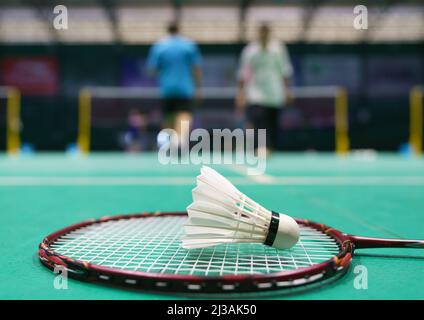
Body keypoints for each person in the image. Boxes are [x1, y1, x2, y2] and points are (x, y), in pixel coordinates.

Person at [236, 23, 293, 151]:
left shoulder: (278, 49)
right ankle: (261, 147)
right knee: (258, 122)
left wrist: (287, 90)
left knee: (272, 124)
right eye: (262, 31)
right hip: (255, 94)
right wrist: (240, 93)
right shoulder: (250, 50)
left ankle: (269, 148)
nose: (264, 34)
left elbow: (285, 70)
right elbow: (243, 73)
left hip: (274, 94)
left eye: (266, 31)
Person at [147, 21, 202, 144]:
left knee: (168, 116)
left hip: (167, 89)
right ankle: (179, 140)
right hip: (185, 88)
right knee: (184, 114)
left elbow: (152, 70)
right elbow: (196, 69)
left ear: (167, 30)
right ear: (179, 29)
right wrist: (198, 88)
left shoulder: (159, 47)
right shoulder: (189, 46)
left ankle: (169, 142)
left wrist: (165, 70)